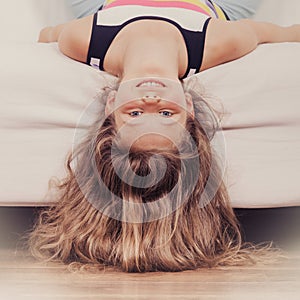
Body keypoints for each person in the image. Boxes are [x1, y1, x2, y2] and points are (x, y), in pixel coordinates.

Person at [29, 0, 295, 272]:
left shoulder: (82, 39)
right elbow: (278, 34)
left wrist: (52, 34)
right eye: (167, 114)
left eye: (133, 114)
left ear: (111, 105)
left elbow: (47, 34)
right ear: (189, 107)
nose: (151, 101)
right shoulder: (220, 41)